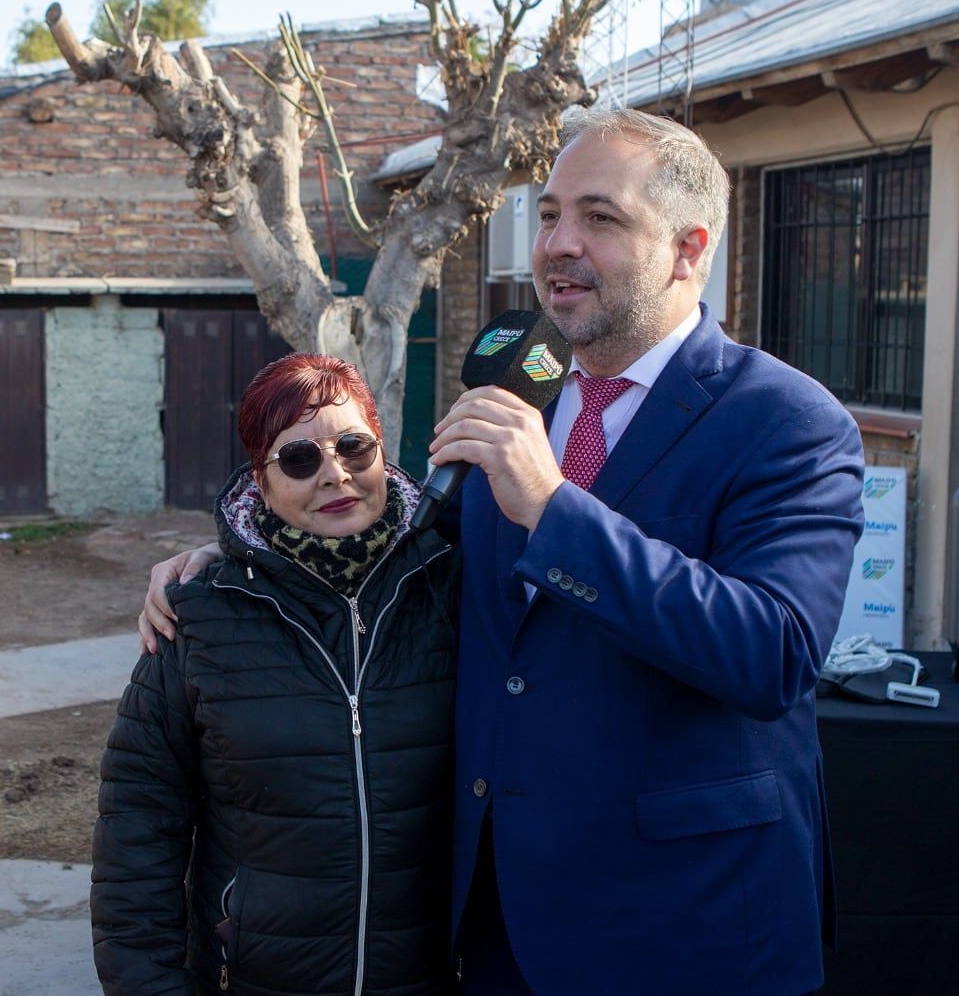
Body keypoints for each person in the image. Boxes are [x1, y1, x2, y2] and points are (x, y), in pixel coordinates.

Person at [142, 108, 865, 994]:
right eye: (550, 212)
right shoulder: (519, 392)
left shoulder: (787, 421)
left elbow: (776, 651)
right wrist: (234, 561)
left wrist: (556, 510)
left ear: (688, 248)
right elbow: (403, 562)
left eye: (599, 218)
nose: (558, 242)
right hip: (497, 927)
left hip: (686, 929)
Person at [92, 353, 460, 995]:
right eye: (299, 459)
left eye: (353, 446)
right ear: (260, 482)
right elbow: (138, 830)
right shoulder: (200, 616)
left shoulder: (451, 585)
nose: (334, 474)